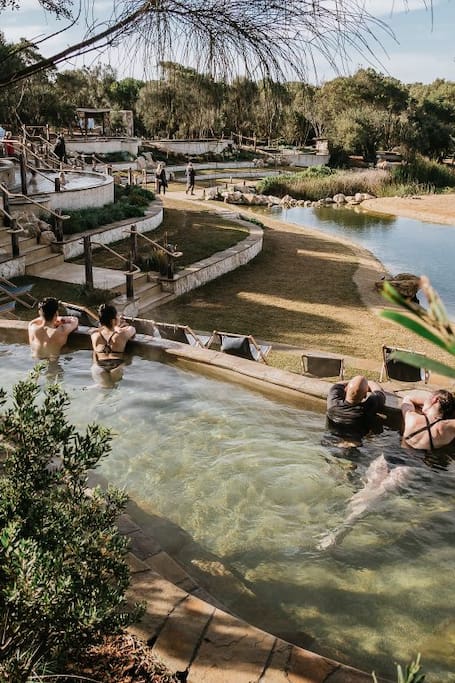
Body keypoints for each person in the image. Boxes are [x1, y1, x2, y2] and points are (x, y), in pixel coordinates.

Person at [90, 304, 136, 386]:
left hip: (99, 368)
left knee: (104, 389)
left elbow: (94, 331)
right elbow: (132, 329)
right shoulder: (121, 335)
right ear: (113, 320)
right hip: (116, 367)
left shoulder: (94, 335)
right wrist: (117, 327)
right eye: (117, 316)